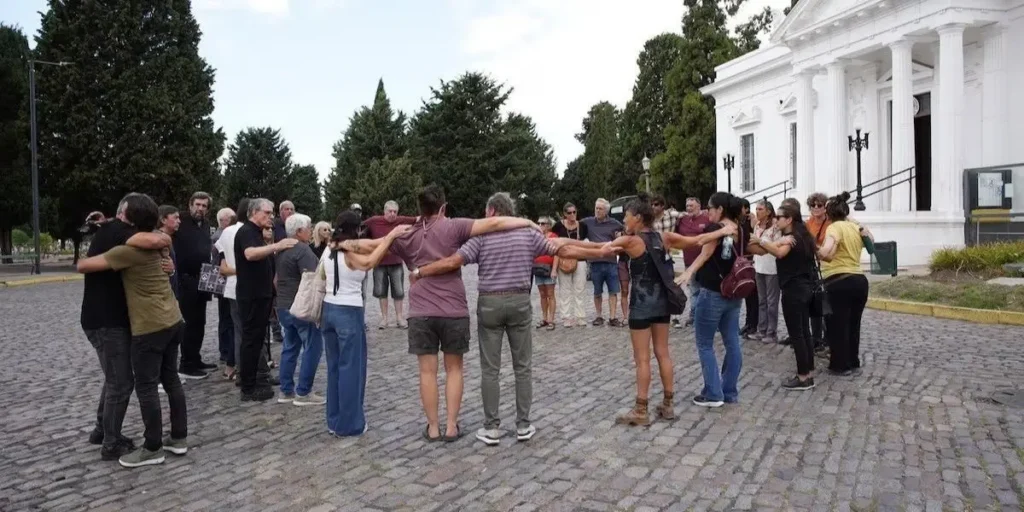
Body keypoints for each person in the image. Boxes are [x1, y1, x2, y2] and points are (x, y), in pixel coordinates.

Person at [344, 184, 537, 442]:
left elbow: (370, 246)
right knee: (454, 370)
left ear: (419, 209)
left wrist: (342, 243)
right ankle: (451, 427)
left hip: (421, 310)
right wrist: (526, 222)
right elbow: (493, 224)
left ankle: (433, 428)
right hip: (453, 308)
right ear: (443, 207)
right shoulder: (454, 226)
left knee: (427, 372)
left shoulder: (406, 233)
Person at [555, 193, 734, 423]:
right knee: (663, 353)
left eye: (627, 217)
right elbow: (697, 241)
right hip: (663, 304)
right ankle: (668, 405)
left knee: (642, 359)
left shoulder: (631, 241)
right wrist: (722, 231)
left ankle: (641, 410)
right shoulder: (665, 237)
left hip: (641, 305)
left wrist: (564, 246)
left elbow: (599, 251)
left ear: (638, 218)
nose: (625, 221)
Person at [412, 192, 553, 445]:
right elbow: (556, 247)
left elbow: (454, 261)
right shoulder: (529, 234)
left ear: (491, 212)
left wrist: (422, 271)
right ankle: (523, 425)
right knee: (523, 367)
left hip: (489, 303)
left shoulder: (481, 237)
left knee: (490, 369)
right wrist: (600, 248)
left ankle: (491, 427)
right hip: (520, 302)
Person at [77, 193, 189, 468]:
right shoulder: (125, 236)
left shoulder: (127, 242)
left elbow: (83, 264)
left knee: (128, 382)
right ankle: (116, 437)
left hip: (141, 324)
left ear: (125, 213)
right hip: (121, 320)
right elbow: (160, 239)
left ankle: (126, 440)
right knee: (124, 381)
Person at [321, 211, 410, 436]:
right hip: (348, 312)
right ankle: (350, 425)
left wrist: (394, 234)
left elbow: (372, 243)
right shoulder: (349, 252)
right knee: (351, 368)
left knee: (334, 369)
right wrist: (390, 238)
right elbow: (369, 262)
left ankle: (334, 420)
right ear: (357, 228)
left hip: (328, 309)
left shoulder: (331, 246)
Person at [677, 192, 747, 408]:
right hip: (734, 292)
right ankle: (729, 391)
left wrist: (688, 272)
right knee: (732, 342)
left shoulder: (715, 229)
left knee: (705, 344)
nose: (707, 212)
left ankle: (713, 393)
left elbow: (704, 254)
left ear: (720, 209)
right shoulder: (740, 229)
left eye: (710, 207)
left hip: (712, 292)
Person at [234, 199, 298, 402]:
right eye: (267, 212)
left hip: (261, 293)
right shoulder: (246, 232)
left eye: (272, 212)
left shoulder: (257, 232)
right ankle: (248, 386)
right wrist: (276, 245)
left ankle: (255, 380)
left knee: (257, 339)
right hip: (251, 295)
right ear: (254, 212)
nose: (271, 216)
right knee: (251, 340)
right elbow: (250, 254)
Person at [752, 203, 818, 390]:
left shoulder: (793, 238)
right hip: (804, 288)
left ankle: (803, 376)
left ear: (789, 219)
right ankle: (809, 372)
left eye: (779, 217)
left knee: (797, 334)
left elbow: (780, 253)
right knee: (805, 332)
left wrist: (762, 241)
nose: (776, 219)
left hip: (794, 290)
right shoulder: (801, 235)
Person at [818, 191, 872, 377]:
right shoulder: (854, 227)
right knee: (853, 323)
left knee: (837, 324)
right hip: (859, 280)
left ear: (829, 214)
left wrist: (816, 250)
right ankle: (853, 359)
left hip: (838, 280)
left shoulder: (834, 228)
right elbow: (871, 241)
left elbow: (826, 250)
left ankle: (840, 364)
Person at [275, 213, 326, 406]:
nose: (311, 231)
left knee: (290, 346)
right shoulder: (303, 250)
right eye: (308, 227)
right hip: (300, 306)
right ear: (299, 231)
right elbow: (315, 277)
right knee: (313, 346)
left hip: (283, 305)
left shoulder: (281, 249)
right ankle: (304, 392)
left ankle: (286, 390)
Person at [172, 192, 215, 379]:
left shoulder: (205, 224)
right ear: (190, 205)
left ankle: (195, 358)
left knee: (200, 322)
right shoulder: (180, 220)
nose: (200, 209)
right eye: (197, 204)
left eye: (204, 206)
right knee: (189, 323)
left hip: (204, 277)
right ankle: (186, 365)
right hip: (185, 278)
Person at [362, 200, 418, 329]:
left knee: (398, 292)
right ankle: (384, 319)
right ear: (384, 211)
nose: (392, 214)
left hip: (396, 262)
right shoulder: (374, 221)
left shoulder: (401, 220)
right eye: (390, 211)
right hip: (379, 262)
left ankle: (399, 318)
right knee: (381, 292)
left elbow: (418, 219)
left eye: (395, 212)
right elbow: (360, 227)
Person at [581, 198, 625, 326]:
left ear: (606, 211)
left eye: (600, 209)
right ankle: (599, 316)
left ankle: (612, 317)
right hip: (595, 263)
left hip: (611, 262)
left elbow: (625, 231)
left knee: (613, 291)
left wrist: (620, 236)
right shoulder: (587, 222)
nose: (597, 211)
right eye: (596, 208)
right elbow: (574, 225)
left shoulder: (614, 223)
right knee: (597, 291)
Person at [675, 197, 710, 328]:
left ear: (699, 206)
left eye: (692, 206)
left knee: (704, 290)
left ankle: (702, 316)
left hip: (705, 261)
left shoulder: (707, 219)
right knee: (693, 290)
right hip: (687, 261)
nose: (689, 208)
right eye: (687, 206)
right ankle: (694, 316)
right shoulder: (682, 220)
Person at [749, 200, 781, 344]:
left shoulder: (775, 226)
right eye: (756, 209)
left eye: (760, 209)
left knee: (772, 302)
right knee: (762, 300)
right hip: (759, 266)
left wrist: (760, 242)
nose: (757, 211)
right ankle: (761, 329)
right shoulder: (757, 225)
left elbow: (777, 245)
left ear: (768, 211)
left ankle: (771, 332)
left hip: (772, 267)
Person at [552, 203, 588, 328]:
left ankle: (580, 316)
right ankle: (566, 317)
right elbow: (554, 243)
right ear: (564, 214)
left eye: (574, 212)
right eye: (569, 213)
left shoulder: (582, 226)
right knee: (565, 290)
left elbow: (586, 243)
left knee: (580, 289)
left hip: (580, 260)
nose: (572, 215)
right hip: (564, 261)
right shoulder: (558, 226)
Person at [212, 207, 237, 375]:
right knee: (227, 319)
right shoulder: (220, 236)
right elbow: (220, 264)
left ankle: (227, 351)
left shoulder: (223, 234)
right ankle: (226, 351)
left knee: (227, 319)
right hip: (225, 282)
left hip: (226, 281)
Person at [805, 192, 831, 350]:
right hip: (813, 267)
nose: (816, 208)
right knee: (815, 303)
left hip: (827, 266)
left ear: (825, 207)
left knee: (827, 304)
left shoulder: (830, 224)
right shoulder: (808, 223)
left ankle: (828, 338)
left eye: (819, 205)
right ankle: (816, 338)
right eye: (813, 205)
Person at [534, 217, 559, 330]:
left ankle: (551, 320)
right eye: (538, 223)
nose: (540, 225)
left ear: (548, 225)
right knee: (542, 295)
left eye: (543, 223)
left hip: (549, 269)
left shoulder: (554, 237)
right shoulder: (536, 237)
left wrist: (554, 269)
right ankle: (544, 318)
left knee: (550, 294)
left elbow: (557, 254)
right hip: (538, 268)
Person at [739, 199, 759, 337]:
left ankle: (754, 324)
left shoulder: (751, 222)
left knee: (754, 295)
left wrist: (753, 224)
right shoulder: (738, 222)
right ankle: (748, 322)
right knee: (747, 294)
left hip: (753, 261)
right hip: (742, 262)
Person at [158, 206, 181, 298]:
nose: (179, 221)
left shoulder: (169, 238)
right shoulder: (157, 241)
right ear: (163, 220)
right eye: (176, 217)